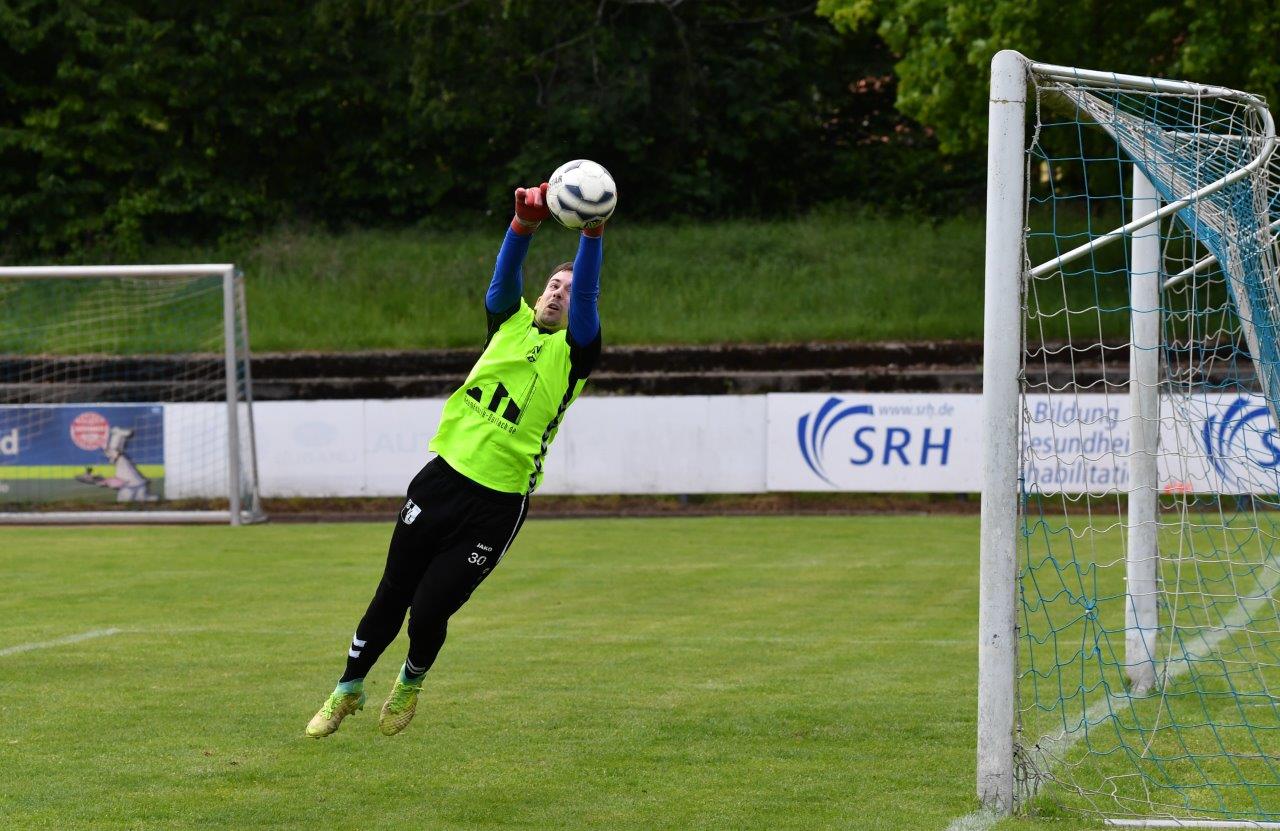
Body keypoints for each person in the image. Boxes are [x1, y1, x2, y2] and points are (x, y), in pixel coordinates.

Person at [306, 182, 604, 737]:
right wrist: (521, 226)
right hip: (440, 481)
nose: (559, 294)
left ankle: (410, 681)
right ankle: (346, 689)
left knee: (429, 610)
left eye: (569, 291)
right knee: (391, 593)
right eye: (552, 285)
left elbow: (588, 295)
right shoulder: (507, 322)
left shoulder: (576, 354)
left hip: (497, 505)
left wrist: (592, 232)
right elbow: (502, 279)